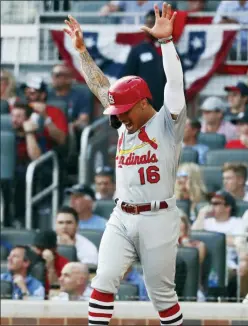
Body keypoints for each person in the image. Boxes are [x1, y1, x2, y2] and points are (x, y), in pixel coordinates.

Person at [64, 3, 185, 325]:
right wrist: (82, 53)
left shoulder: (167, 124)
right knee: (102, 281)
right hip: (122, 214)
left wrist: (166, 43)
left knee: (162, 296)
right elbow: (101, 86)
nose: (119, 117)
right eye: (117, 113)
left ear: (144, 103)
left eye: (125, 111)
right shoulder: (122, 118)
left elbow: (174, 86)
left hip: (158, 216)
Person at [120, 9, 166, 111]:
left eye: (151, 23)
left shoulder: (170, 49)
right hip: (144, 106)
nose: (147, 27)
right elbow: (128, 78)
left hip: (167, 106)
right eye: (146, 23)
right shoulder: (138, 50)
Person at [11, 102, 46, 226]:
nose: (14, 120)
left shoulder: (36, 135)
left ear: (27, 119)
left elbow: (36, 157)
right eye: (13, 116)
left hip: (27, 177)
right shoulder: (7, 134)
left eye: (19, 116)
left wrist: (29, 133)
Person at [22, 76, 68, 149]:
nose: (27, 96)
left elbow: (61, 140)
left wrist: (45, 116)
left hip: (45, 152)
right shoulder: (21, 109)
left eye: (32, 93)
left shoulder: (54, 111)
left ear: (43, 95)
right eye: (26, 93)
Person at [47, 64, 92, 128]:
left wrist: (68, 127)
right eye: (52, 74)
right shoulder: (46, 94)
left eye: (57, 75)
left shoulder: (81, 95)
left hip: (71, 131)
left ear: (68, 78)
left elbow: (83, 119)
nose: (53, 77)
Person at [99, 1, 163, 24]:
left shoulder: (158, 1)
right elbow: (113, 6)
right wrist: (107, 8)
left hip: (147, 33)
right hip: (126, 30)